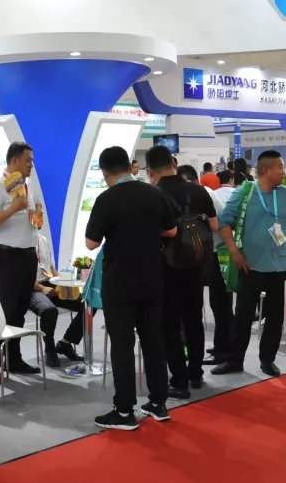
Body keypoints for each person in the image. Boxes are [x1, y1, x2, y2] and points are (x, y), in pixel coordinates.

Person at [85, 146, 175, 430]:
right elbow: (172, 230)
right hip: (153, 278)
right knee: (153, 341)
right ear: (129, 165)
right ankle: (158, 403)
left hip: (120, 282)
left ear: (105, 172)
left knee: (123, 346)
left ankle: (124, 411)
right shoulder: (154, 193)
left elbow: (91, 242)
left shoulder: (107, 199)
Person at [213, 150, 286, 378]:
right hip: (251, 265)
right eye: (280, 167)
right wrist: (234, 251)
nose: (284, 172)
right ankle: (234, 360)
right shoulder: (245, 193)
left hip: (280, 265)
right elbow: (224, 222)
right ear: (266, 170)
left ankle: (267, 360)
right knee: (243, 315)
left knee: (275, 317)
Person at [145, 145, 217, 399]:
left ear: (150, 171)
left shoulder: (153, 194)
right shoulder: (198, 190)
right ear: (173, 163)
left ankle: (179, 380)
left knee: (170, 324)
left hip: (166, 265)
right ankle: (196, 373)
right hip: (196, 264)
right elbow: (215, 224)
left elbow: (152, 231)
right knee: (193, 318)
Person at [0, 142, 42, 384]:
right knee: (4, 309)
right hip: (7, 256)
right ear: (15, 160)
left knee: (20, 309)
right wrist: (13, 209)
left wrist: (36, 215)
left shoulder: (28, 186)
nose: (31, 165)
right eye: (28, 160)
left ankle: (14, 358)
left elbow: (33, 221)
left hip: (28, 254)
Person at [204, 170, 237, 364]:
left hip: (220, 254)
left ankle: (225, 351)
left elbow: (219, 224)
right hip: (218, 254)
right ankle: (223, 346)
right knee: (219, 304)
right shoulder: (211, 194)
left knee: (221, 304)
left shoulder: (208, 195)